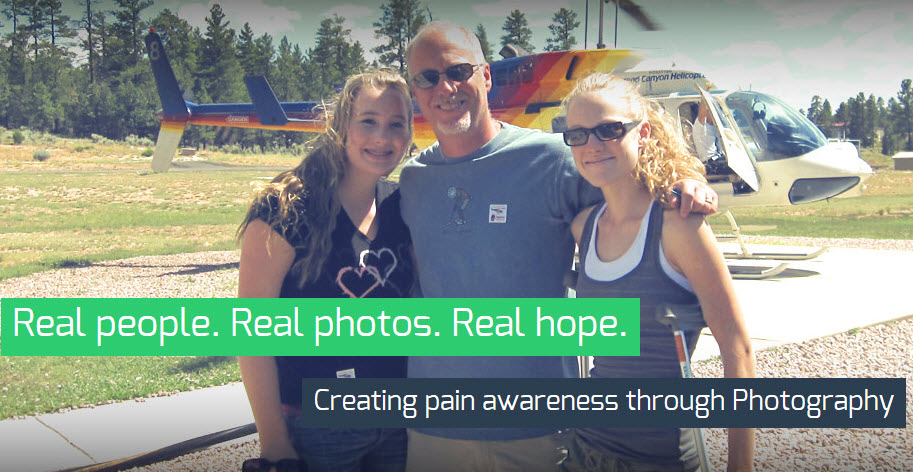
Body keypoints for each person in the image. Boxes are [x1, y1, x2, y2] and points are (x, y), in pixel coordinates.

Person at [397, 21, 720, 472]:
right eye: (427, 77)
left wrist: (683, 180)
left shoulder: (553, 159)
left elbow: (631, 195)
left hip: (538, 427)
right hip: (433, 426)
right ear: (415, 89)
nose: (445, 87)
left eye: (458, 70)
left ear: (486, 76)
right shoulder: (411, 179)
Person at [559, 73, 755, 471]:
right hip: (583, 452)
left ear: (643, 132)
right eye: (577, 135)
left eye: (608, 130)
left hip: (659, 458)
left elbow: (738, 350)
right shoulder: (583, 227)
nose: (592, 146)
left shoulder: (680, 227)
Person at [236, 69, 416, 472]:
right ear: (342, 126)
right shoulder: (285, 209)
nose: (382, 137)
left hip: (397, 423)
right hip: (315, 427)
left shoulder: (402, 206)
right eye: (368, 121)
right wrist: (274, 443)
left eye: (395, 124)